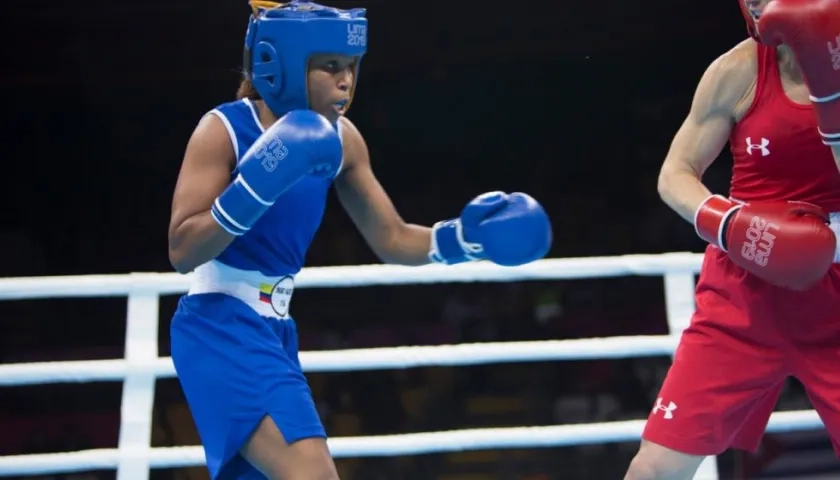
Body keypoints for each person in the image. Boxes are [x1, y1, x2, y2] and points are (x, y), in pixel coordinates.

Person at [166, 2, 552, 480]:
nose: (346, 80)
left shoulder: (342, 139)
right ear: (281, 63)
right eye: (330, 66)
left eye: (350, 66)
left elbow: (393, 238)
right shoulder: (224, 129)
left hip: (275, 329)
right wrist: (256, 185)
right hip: (219, 323)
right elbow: (182, 251)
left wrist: (467, 240)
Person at [624, 1, 840, 478]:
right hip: (743, 290)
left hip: (836, 295)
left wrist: (832, 101)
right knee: (653, 471)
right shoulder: (737, 69)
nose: (759, 3)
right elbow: (674, 174)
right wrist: (732, 225)